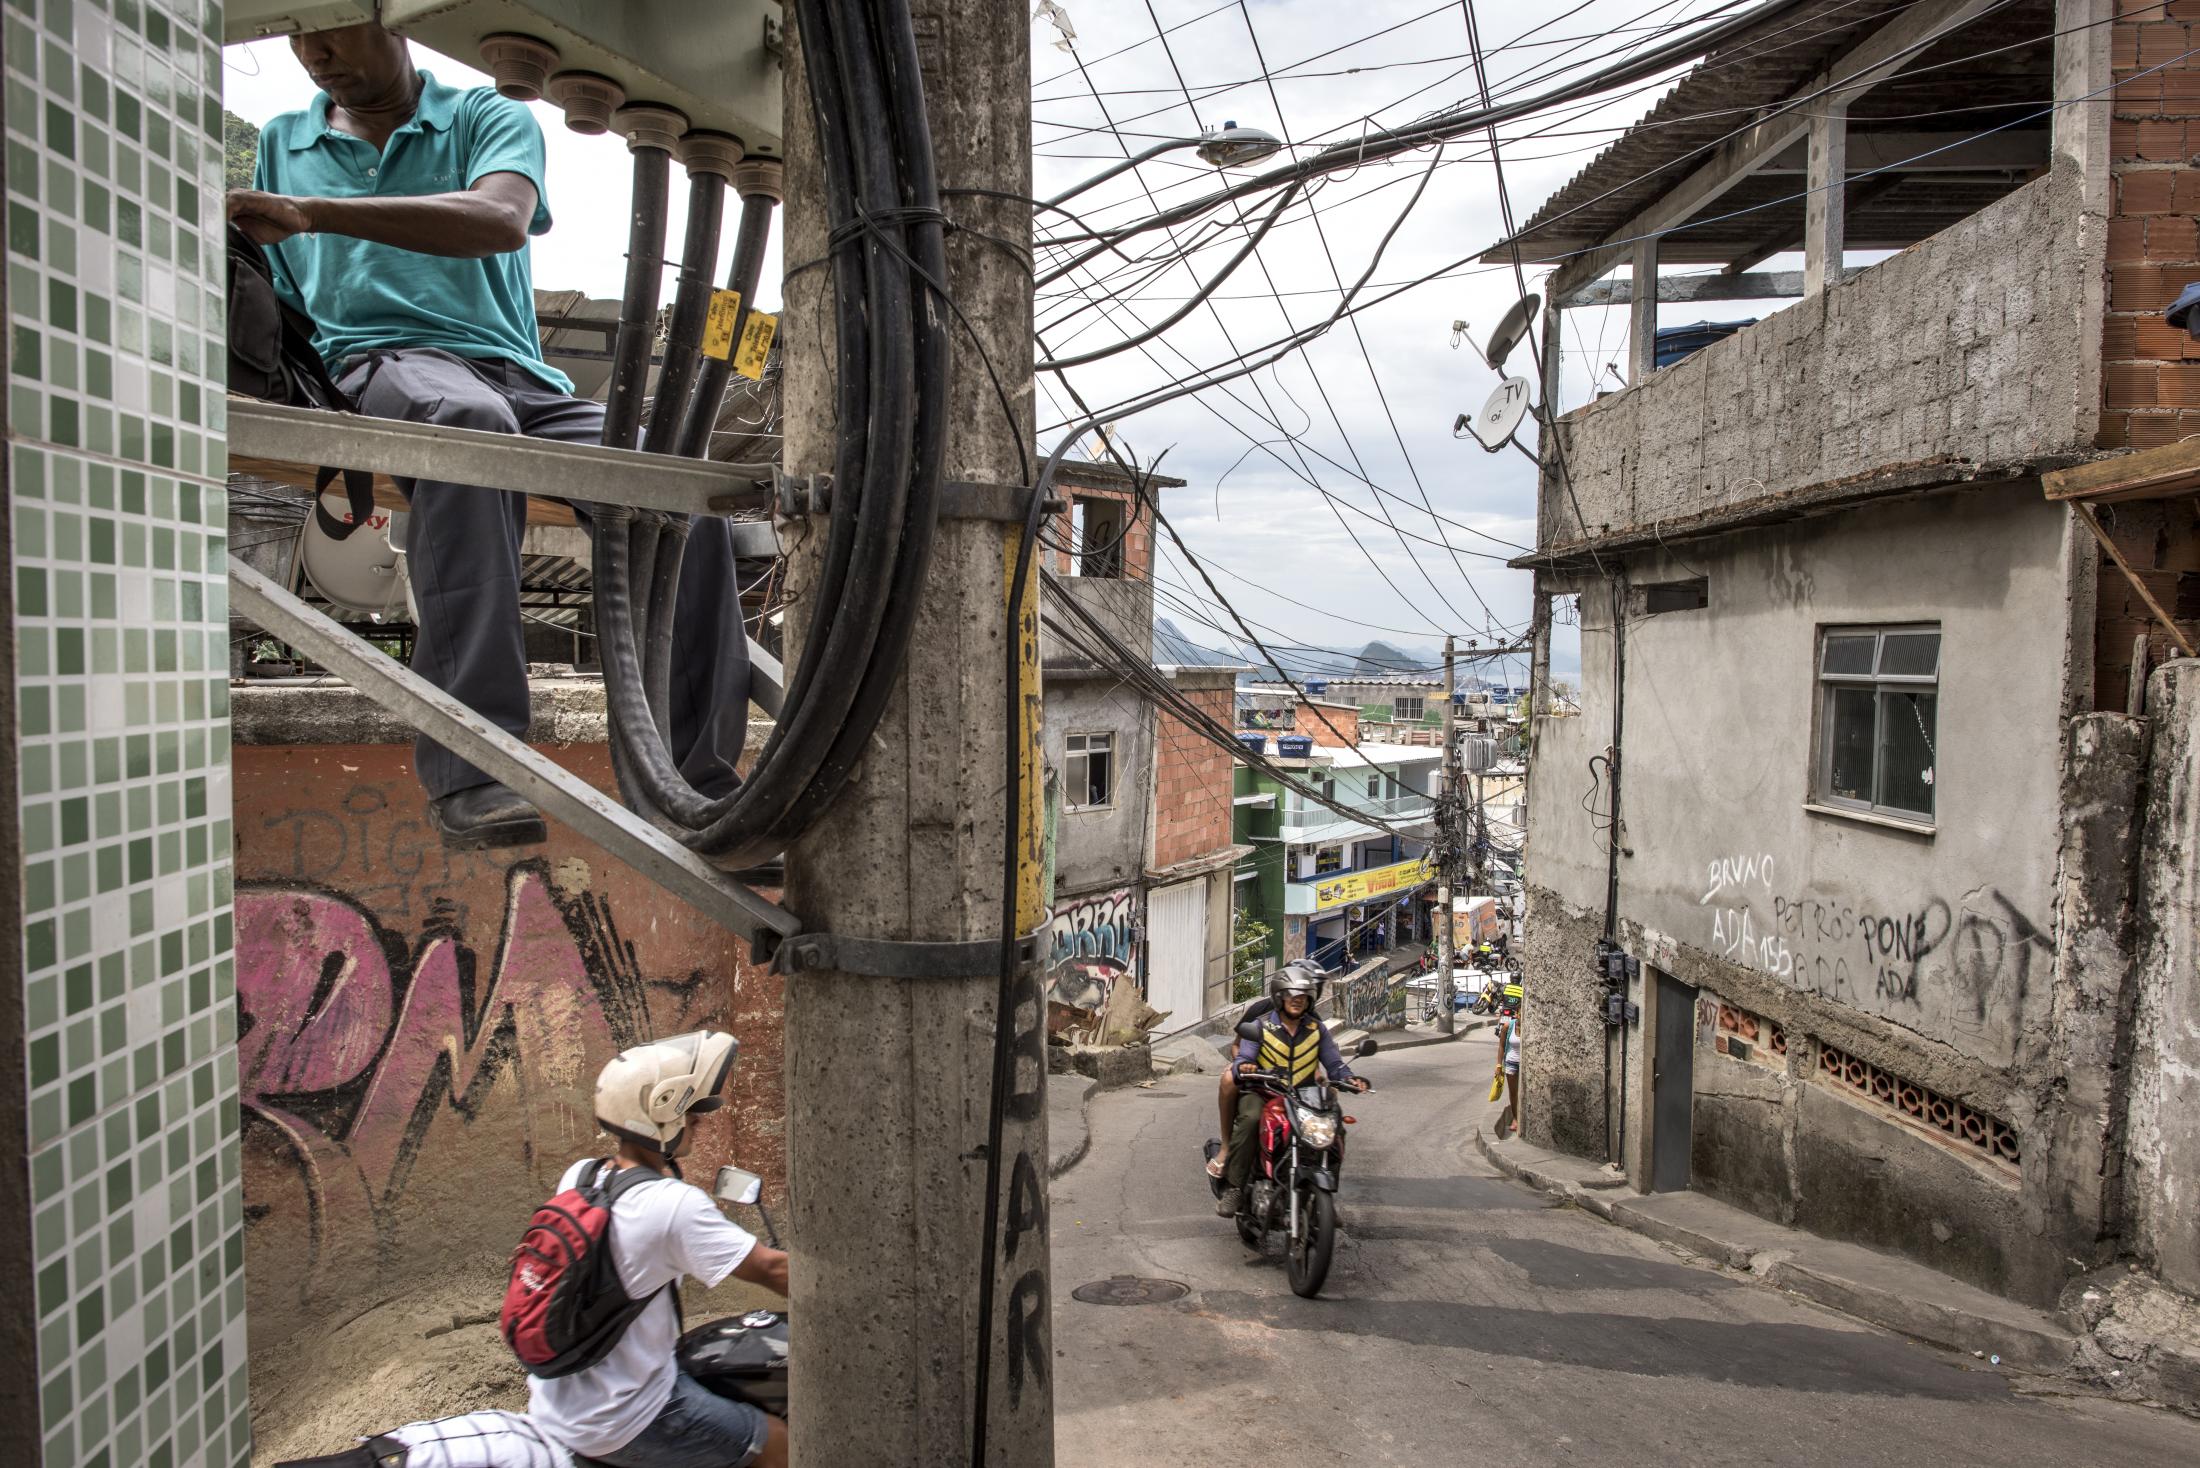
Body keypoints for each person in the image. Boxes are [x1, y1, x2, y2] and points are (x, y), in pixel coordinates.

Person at [230, 23, 751, 849]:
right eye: (299, 39)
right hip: (382, 363)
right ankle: (477, 768)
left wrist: (311, 213)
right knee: (470, 430)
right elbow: (286, 294)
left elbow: (501, 218)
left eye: (332, 33)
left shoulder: (485, 113)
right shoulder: (284, 141)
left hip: (521, 375)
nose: (314, 55)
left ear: (393, 22)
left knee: (676, 482)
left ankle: (697, 790)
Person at [529, 1031, 789, 1468]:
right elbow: (774, 1271)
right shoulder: (673, 1205)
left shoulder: (582, 1176)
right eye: (691, 1112)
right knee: (779, 1442)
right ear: (662, 1112)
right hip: (627, 1418)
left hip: (557, 1400)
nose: (698, 1122)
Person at [1217, 963, 1368, 1217]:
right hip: (1264, 1092)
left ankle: (1325, 1197)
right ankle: (1235, 1187)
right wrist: (1246, 1066)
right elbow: (1244, 1055)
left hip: (1304, 1096)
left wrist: (1349, 1079)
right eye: (1291, 995)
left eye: (1303, 996)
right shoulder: (1261, 1025)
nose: (1297, 1001)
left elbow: (1333, 1062)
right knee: (1251, 1120)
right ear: (1279, 995)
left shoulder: (1316, 1029)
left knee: (1335, 1126)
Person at [1494, 1003, 1522, 1140]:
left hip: (1524, 1064)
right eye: (1520, 1012)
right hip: (1511, 1062)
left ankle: (1522, 1117)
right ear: (1516, 1013)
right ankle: (1516, 1118)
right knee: (1513, 1093)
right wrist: (1499, 1065)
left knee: (1524, 1092)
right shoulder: (1508, 1026)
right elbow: (1501, 1046)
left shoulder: (1529, 1028)